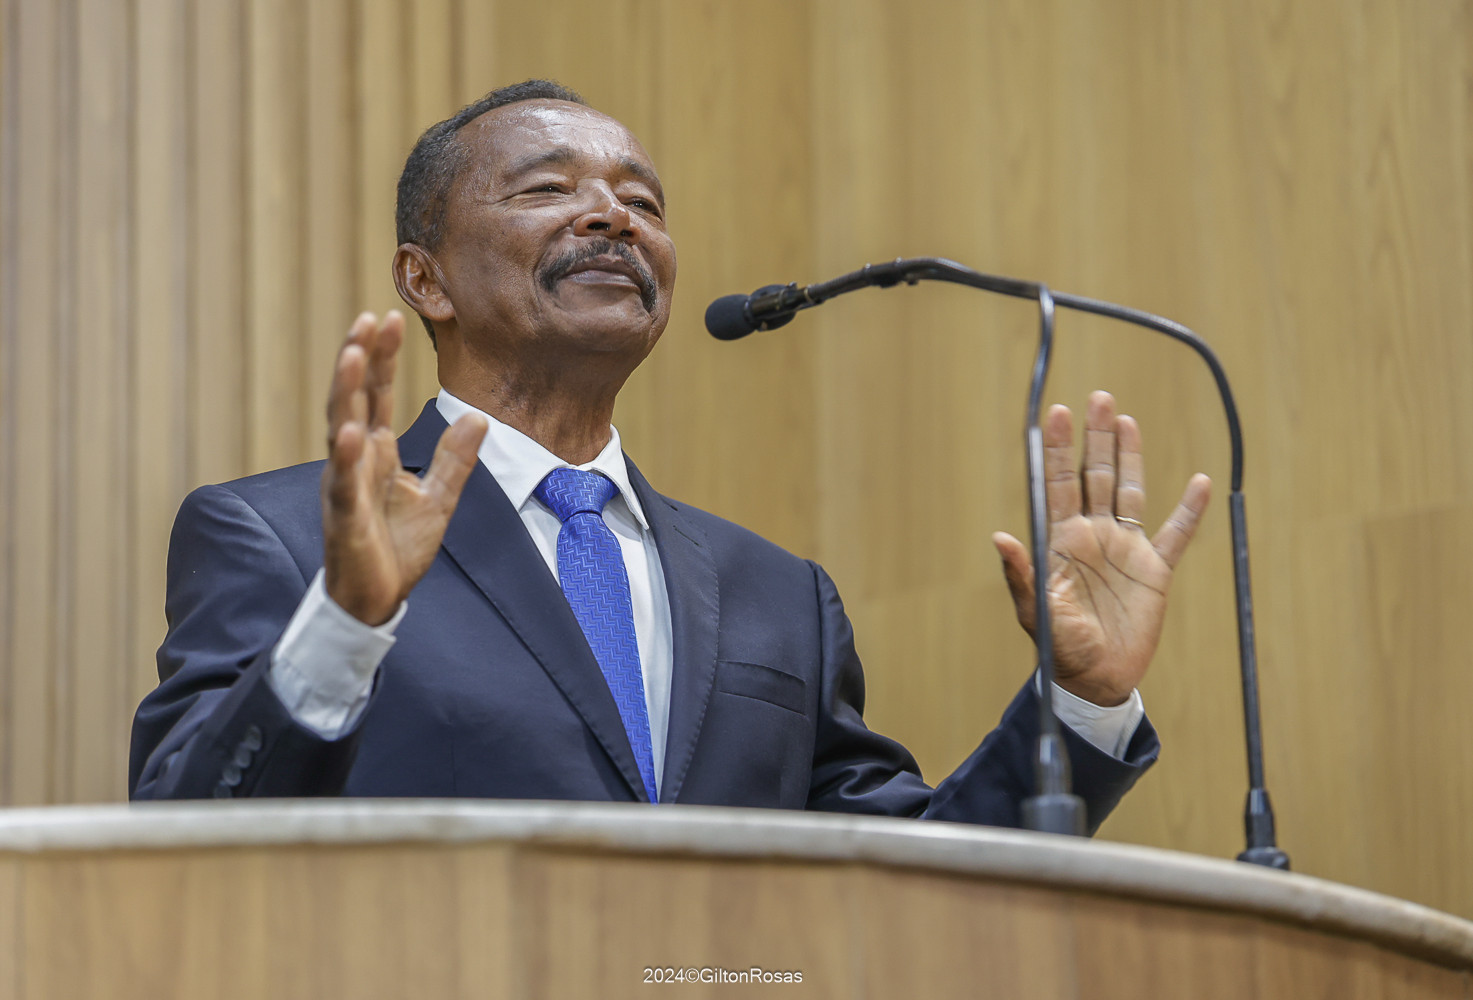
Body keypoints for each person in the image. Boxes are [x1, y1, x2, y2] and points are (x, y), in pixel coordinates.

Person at [129, 80, 1210, 829]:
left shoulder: (780, 597)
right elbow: (188, 832)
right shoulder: (278, 538)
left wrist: (1079, 701)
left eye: (642, 202)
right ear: (426, 279)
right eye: (549, 189)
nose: (614, 218)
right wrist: (345, 623)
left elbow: (914, 890)